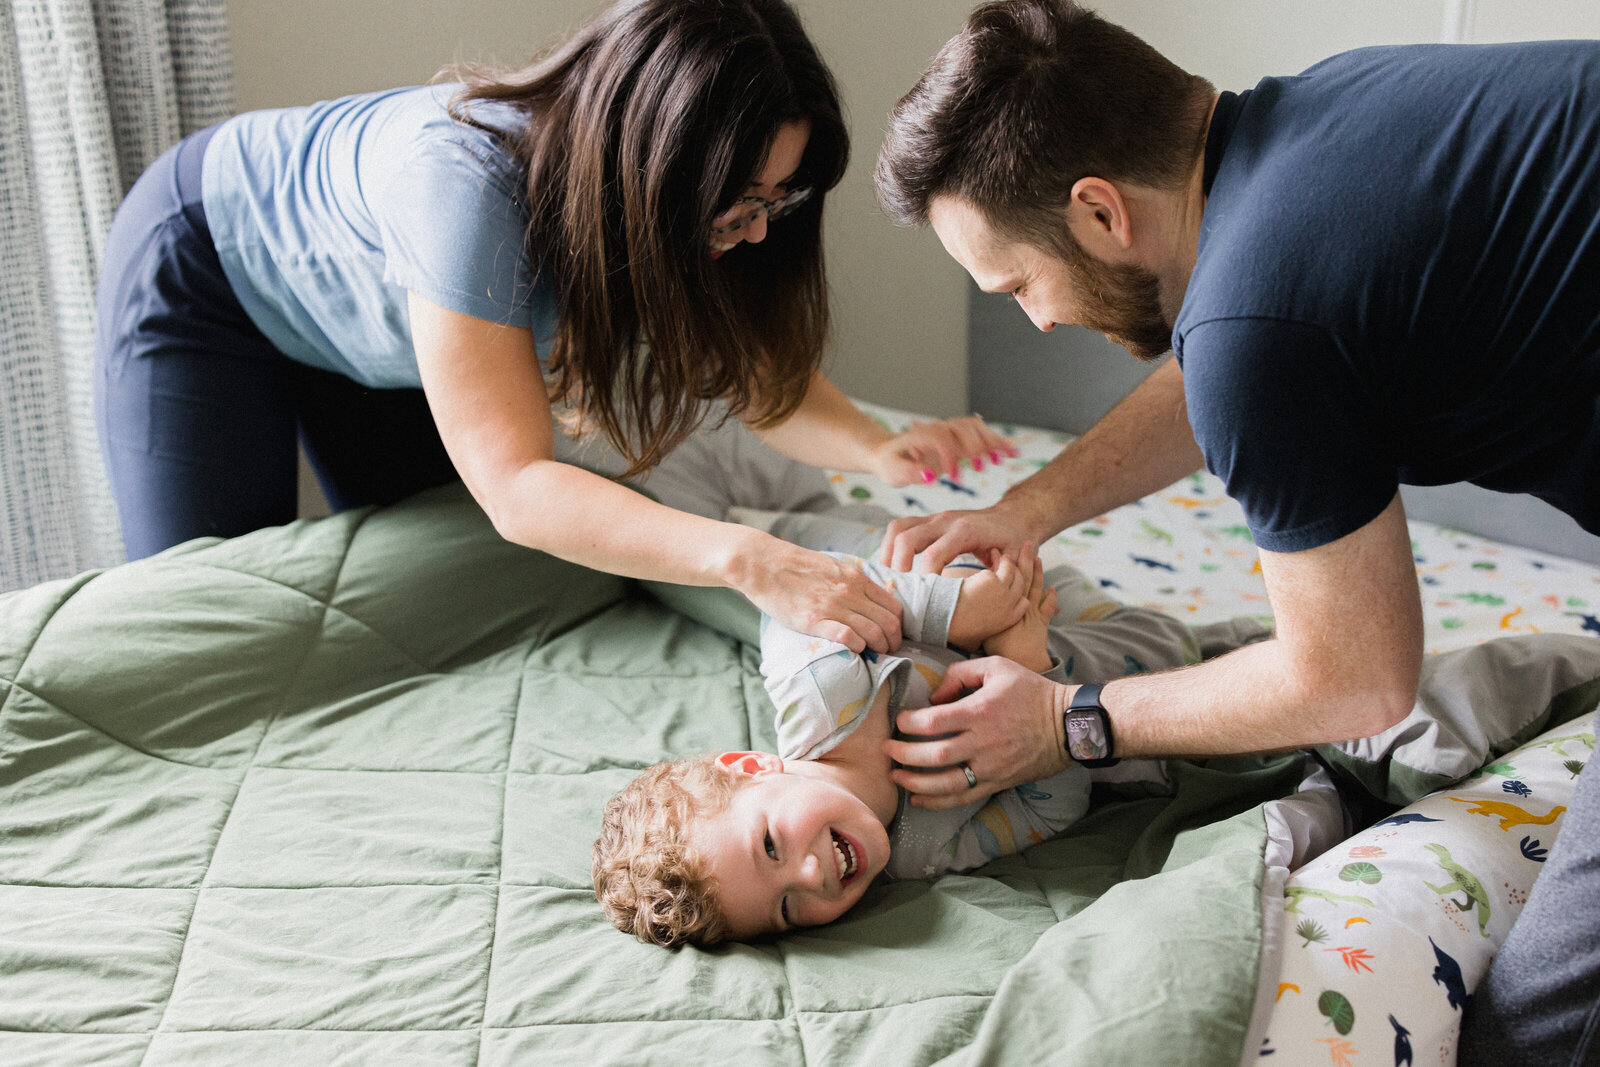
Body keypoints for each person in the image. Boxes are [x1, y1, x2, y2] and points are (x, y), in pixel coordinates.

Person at [868, 3, 1600, 1062]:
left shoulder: (1257, 326)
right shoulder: (1324, 115)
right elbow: (1236, 351)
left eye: (1017, 283)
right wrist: (1024, 508)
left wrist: (1069, 719)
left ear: (1098, 212)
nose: (1034, 319)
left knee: (1536, 1023)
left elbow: (1353, 681)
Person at [92, 0, 1014, 657]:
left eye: (779, 199)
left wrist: (878, 447)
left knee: (418, 592)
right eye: (739, 203)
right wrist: (749, 560)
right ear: (649, 167)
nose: (760, 231)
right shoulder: (466, 193)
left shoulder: (698, 220)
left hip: (373, 330)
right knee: (202, 618)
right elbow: (520, 487)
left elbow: (741, 368)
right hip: (206, 273)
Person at [593, 515, 1268, 945]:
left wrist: (960, 615)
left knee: (961, 571)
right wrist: (1027, 659)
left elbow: (814, 594)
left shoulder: (819, 689)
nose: (810, 874)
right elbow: (1049, 808)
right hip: (1082, 685)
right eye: (789, 910)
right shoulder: (921, 848)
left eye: (771, 845)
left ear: (749, 766)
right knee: (1189, 698)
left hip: (1054, 606)